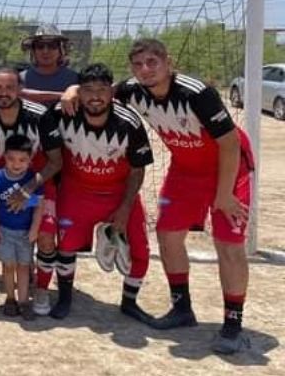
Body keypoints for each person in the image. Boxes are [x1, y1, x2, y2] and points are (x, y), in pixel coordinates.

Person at [62, 38, 255, 354]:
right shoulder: (133, 91)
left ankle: (233, 324)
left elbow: (230, 143)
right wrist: (70, 90)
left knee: (229, 244)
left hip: (229, 168)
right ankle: (182, 309)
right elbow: (98, 89)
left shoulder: (196, 93)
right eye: (138, 65)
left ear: (168, 63)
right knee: (167, 235)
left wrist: (223, 195)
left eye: (152, 62)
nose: (145, 70)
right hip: (185, 171)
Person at [49, 63, 154, 324]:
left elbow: (138, 170)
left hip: (119, 194)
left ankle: (129, 302)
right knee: (65, 246)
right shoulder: (62, 113)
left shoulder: (129, 122)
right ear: (78, 93)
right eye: (88, 90)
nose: (95, 97)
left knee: (140, 249)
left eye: (102, 90)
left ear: (112, 92)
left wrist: (125, 208)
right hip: (77, 192)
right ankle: (64, 297)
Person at [0, 65, 63, 316]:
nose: (4, 92)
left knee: (44, 233)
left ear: (20, 89)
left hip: (37, 183)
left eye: (10, 87)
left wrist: (27, 191)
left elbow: (56, 161)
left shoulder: (40, 115)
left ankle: (41, 289)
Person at [0, 134, 44, 320]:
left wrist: (35, 229)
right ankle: (10, 298)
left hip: (25, 232)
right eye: (11, 159)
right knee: (8, 266)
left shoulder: (33, 179)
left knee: (24, 267)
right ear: (4, 156)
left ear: (30, 160)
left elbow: (39, 206)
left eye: (22, 160)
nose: (16, 164)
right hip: (4, 231)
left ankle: (24, 301)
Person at [19, 24, 79, 105]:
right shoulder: (20, 78)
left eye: (52, 46)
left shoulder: (74, 78)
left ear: (61, 50)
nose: (45, 51)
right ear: (33, 51)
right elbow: (18, 94)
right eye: (40, 46)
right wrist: (63, 95)